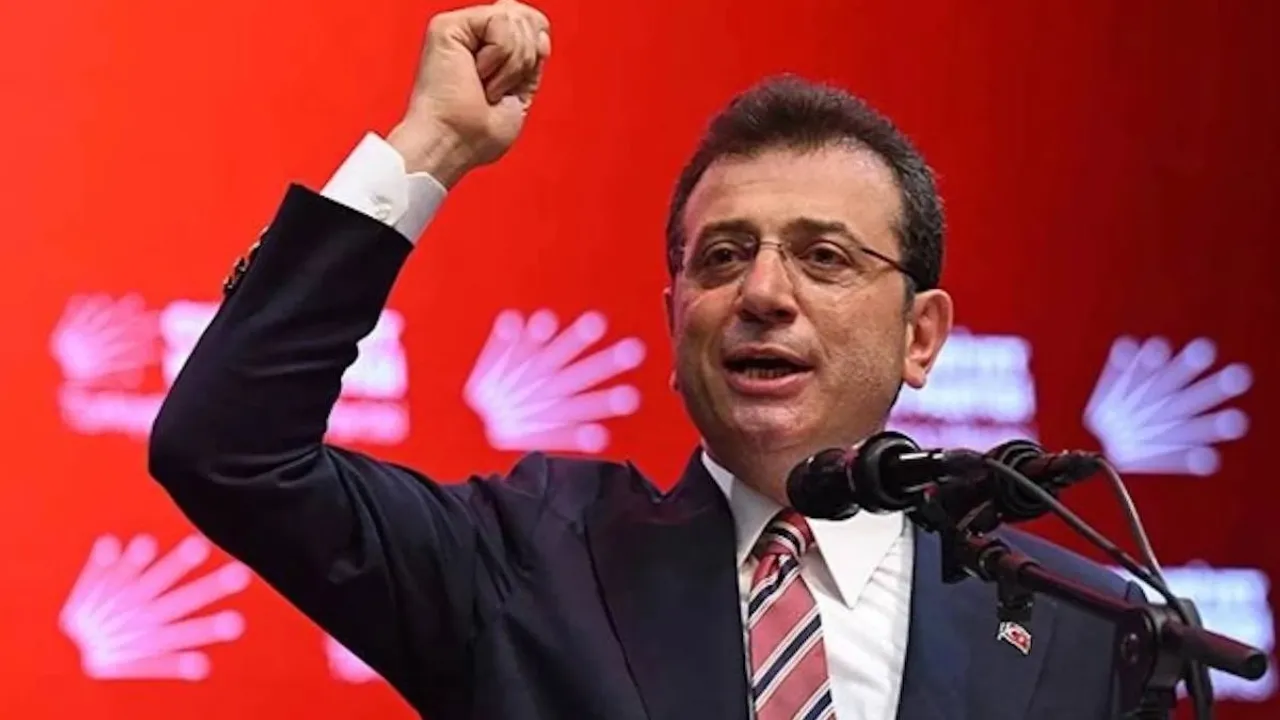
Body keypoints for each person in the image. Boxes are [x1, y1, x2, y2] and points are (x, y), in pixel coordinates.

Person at [148, 1, 1143, 718]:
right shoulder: (530, 562)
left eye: (824, 258)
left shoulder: (1077, 622)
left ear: (919, 336)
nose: (761, 292)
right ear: (675, 324)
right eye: (723, 257)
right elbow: (229, 451)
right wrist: (433, 144)